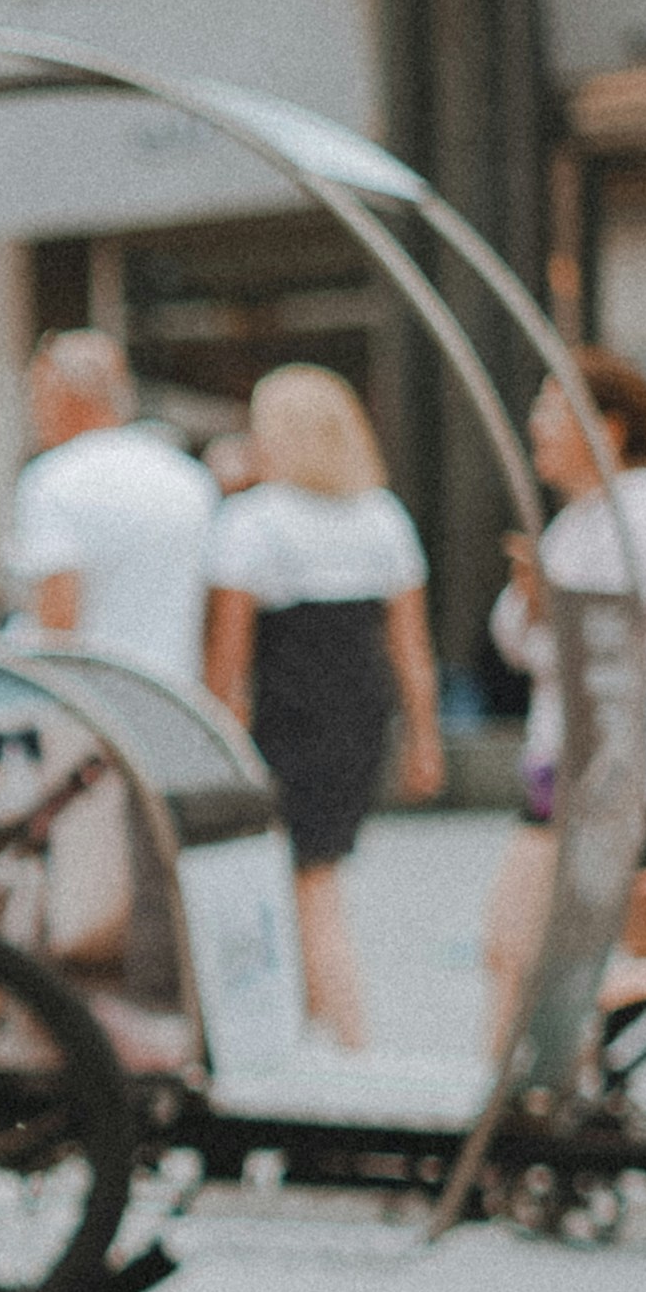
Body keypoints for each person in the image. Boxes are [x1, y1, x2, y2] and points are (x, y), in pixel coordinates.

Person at [483, 347, 646, 1068]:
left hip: (629, 770)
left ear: (610, 428)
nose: (536, 427)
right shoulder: (583, 521)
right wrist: (537, 605)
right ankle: (544, 1111)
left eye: (552, 411)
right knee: (554, 953)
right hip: (589, 766)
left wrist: (544, 606)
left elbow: (605, 634)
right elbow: (529, 643)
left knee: (540, 950)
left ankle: (523, 1123)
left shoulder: (644, 515)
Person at [199, 363, 443, 1049]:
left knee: (305, 888)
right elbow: (413, 652)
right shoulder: (383, 517)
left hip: (285, 719)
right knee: (318, 876)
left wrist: (218, 741)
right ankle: (320, 1029)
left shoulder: (251, 522)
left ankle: (347, 1038)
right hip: (359, 716)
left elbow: (229, 660)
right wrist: (424, 740)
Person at [3, 330, 220, 683]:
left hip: (92, 708)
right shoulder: (191, 479)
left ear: (66, 396)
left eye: (38, 393)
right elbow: (212, 615)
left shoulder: (52, 479)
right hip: (176, 702)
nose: (33, 410)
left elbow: (57, 628)